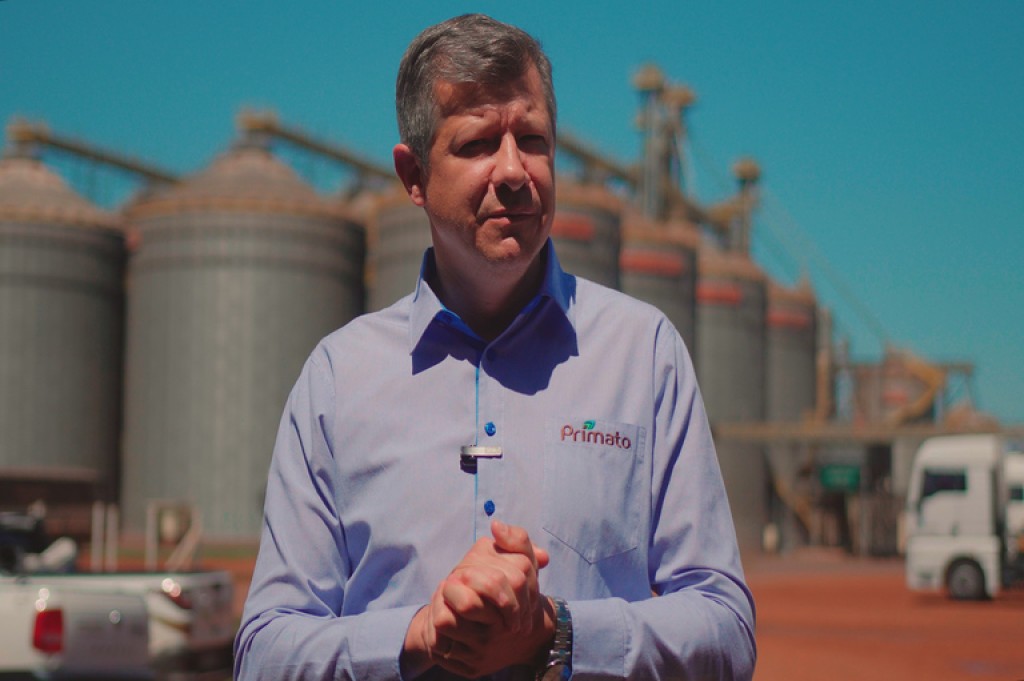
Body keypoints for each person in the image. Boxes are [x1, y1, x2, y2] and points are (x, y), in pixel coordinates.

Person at [235, 13, 755, 681]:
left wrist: (559, 634)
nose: (514, 170)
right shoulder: (338, 378)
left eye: (532, 140)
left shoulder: (643, 353)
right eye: (478, 143)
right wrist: (417, 635)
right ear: (413, 174)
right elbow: (264, 652)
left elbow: (726, 628)